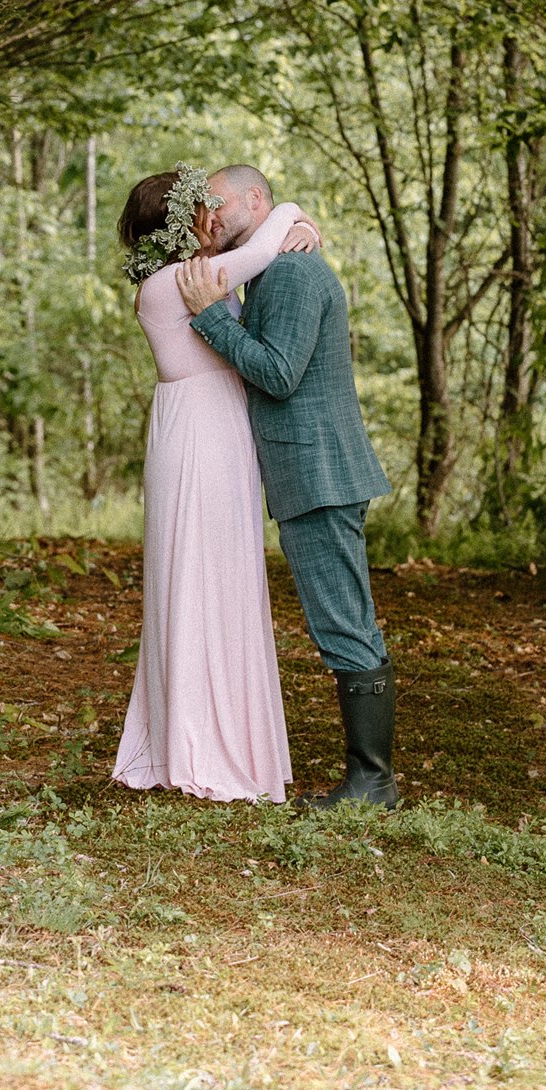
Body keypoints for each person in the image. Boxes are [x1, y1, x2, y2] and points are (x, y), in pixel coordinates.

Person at [176, 164, 397, 808]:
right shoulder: (272, 264)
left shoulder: (295, 273)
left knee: (343, 622)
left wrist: (209, 317)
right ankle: (370, 777)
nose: (210, 216)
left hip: (320, 472)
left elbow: (278, 373)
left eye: (217, 204)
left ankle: (372, 781)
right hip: (307, 471)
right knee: (341, 617)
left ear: (257, 200)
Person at [111, 162, 321, 802]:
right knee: (197, 575)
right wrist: (292, 212)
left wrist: (298, 224)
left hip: (220, 427)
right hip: (198, 433)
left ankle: (216, 734)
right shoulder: (177, 280)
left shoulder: (188, 273)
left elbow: (254, 257)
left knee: (225, 576)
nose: (212, 215)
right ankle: (196, 744)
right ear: (180, 222)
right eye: (201, 206)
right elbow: (260, 248)